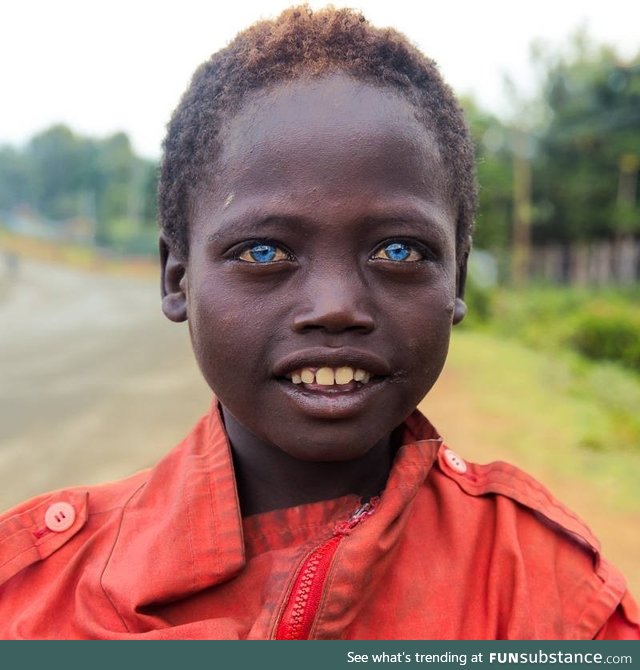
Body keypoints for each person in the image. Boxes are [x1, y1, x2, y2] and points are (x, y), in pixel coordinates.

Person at [0, 6, 637, 640]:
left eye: (398, 252)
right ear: (177, 278)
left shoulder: (547, 597)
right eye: (263, 252)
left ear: (457, 282)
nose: (336, 306)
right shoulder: (34, 598)